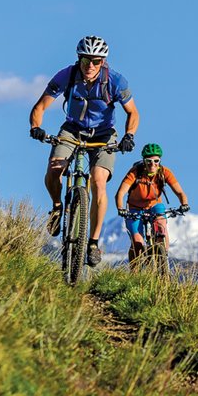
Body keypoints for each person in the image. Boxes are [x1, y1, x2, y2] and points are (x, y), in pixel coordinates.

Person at [29, 35, 139, 267]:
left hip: (104, 135)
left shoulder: (116, 82)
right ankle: (57, 207)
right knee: (54, 169)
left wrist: (129, 135)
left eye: (97, 61)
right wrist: (36, 127)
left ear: (103, 62)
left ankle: (92, 243)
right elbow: (40, 106)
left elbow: (133, 113)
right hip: (72, 130)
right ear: (79, 59)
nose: (91, 66)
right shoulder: (66, 76)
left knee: (99, 182)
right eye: (86, 60)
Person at [115, 143, 189, 268]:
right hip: (134, 209)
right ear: (144, 161)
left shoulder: (164, 172)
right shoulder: (135, 172)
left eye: (156, 161)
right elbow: (120, 193)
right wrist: (120, 208)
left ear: (159, 161)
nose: (152, 164)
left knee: (161, 228)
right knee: (137, 242)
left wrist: (184, 204)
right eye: (149, 161)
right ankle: (134, 270)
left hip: (155, 206)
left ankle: (162, 258)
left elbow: (180, 192)